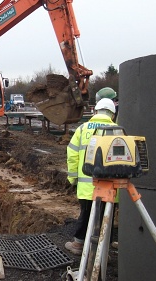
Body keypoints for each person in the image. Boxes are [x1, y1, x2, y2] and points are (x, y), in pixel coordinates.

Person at [64, 98, 118, 255]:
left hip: (88, 185)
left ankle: (79, 244)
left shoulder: (83, 129)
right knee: (106, 215)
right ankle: (103, 247)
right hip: (110, 187)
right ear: (112, 115)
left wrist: (72, 178)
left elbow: (72, 154)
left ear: (95, 111)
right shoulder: (117, 130)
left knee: (86, 213)